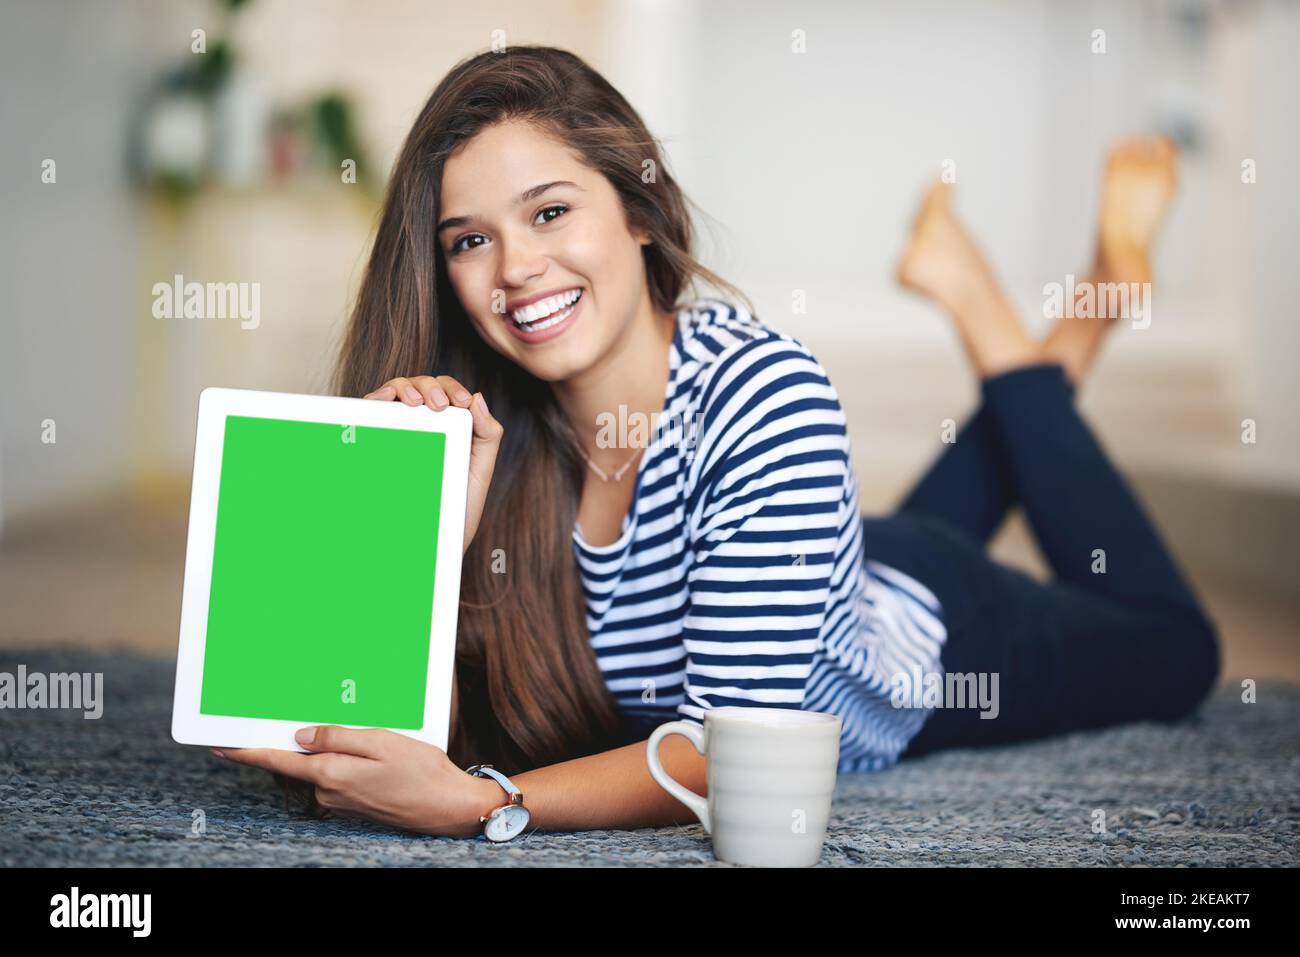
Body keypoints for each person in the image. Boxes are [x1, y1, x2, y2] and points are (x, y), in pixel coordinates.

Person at [213, 46, 1219, 838]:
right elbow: (344, 731)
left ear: (640, 215)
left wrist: (485, 804)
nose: (515, 269)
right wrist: (434, 528)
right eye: (469, 240)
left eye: (550, 212)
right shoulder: (477, 428)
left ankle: (995, 306)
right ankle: (1070, 303)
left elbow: (725, 752)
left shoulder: (765, 395)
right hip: (801, 566)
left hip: (927, 631)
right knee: (846, 559)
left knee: (1178, 652)